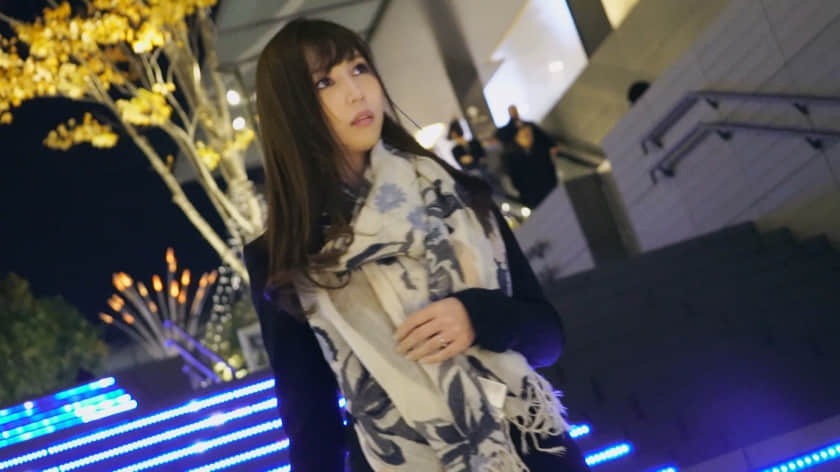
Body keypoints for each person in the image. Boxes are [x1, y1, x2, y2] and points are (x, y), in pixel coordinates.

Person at [246, 18, 590, 472]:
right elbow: (311, 421)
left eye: (359, 68)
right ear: (291, 110)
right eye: (325, 82)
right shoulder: (284, 256)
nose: (356, 92)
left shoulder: (455, 196)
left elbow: (548, 338)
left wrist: (477, 316)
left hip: (531, 451)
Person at [495, 106, 559, 209]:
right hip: (532, 196)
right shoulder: (512, 158)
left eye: (529, 135)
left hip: (549, 189)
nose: (527, 138)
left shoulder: (539, 149)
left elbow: (550, 170)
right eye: (523, 136)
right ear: (517, 139)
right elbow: (516, 180)